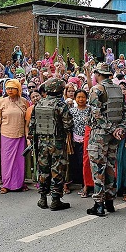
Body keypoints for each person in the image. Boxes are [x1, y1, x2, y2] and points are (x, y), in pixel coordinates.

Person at [87, 62, 126, 217]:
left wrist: (111, 129)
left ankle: (99, 204)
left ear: (98, 74)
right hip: (114, 136)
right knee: (111, 166)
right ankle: (110, 201)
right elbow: (125, 113)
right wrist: (119, 129)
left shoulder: (96, 89)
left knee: (98, 168)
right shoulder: (118, 89)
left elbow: (96, 115)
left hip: (100, 135)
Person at [30, 78, 73, 210]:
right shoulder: (60, 104)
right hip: (57, 142)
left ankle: (43, 198)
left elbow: (32, 125)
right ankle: (55, 200)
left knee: (43, 169)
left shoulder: (39, 103)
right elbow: (69, 124)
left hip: (41, 142)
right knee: (57, 170)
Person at [0, 79, 29, 193]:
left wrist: (28, 137)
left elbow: (27, 122)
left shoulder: (24, 101)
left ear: (18, 89)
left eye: (12, 88)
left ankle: (19, 183)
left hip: (20, 135)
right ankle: (6, 184)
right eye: (7, 88)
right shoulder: (2, 102)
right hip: (6, 135)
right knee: (7, 161)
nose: (9, 90)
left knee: (20, 161)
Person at [69, 89, 91, 197]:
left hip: (88, 140)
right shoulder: (72, 111)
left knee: (86, 163)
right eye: (78, 97)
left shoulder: (90, 110)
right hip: (75, 140)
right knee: (78, 163)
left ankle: (86, 186)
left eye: (83, 97)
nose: (81, 99)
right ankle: (82, 183)